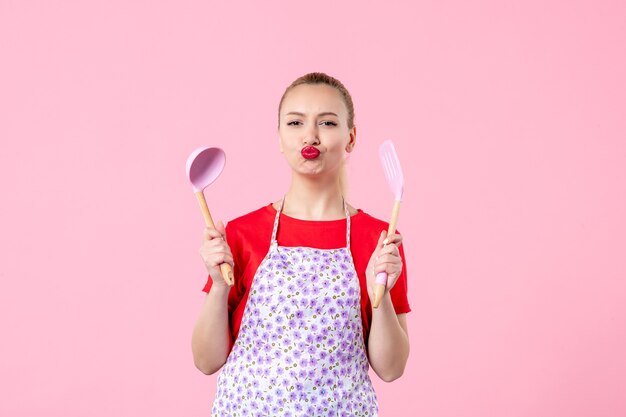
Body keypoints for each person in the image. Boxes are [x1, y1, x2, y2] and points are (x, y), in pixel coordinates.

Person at [191, 72, 410, 417]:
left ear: (350, 138)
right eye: (295, 122)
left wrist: (379, 296)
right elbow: (206, 361)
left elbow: (391, 368)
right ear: (279, 137)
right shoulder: (241, 233)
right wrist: (219, 287)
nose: (310, 136)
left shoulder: (379, 241)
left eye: (327, 122)